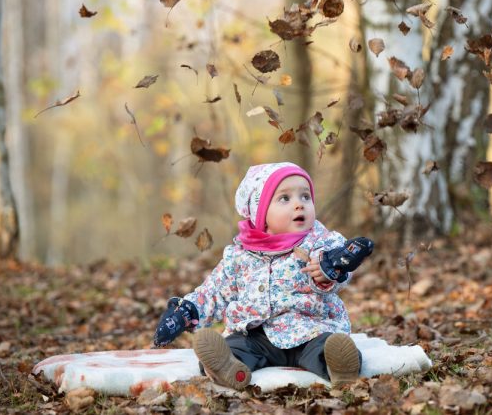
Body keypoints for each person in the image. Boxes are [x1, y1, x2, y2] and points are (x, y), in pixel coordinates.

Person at [153, 162, 374, 389]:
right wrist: (187, 311)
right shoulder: (239, 255)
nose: (299, 204)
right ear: (261, 213)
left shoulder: (319, 242)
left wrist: (332, 266)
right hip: (256, 336)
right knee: (232, 347)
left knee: (326, 347)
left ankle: (341, 368)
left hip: (309, 329)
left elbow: (333, 265)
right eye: (285, 199)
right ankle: (230, 369)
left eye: (305, 197)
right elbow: (215, 291)